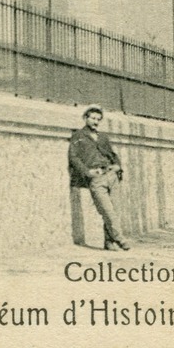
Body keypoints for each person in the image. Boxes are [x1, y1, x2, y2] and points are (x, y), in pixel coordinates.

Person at [68, 105, 129, 250]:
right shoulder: (78, 136)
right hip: (96, 178)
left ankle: (109, 242)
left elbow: (113, 155)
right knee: (107, 211)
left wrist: (117, 166)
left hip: (111, 176)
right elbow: (73, 157)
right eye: (93, 118)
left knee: (115, 211)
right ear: (85, 118)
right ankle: (120, 239)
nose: (95, 121)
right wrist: (87, 172)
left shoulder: (103, 137)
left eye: (98, 119)